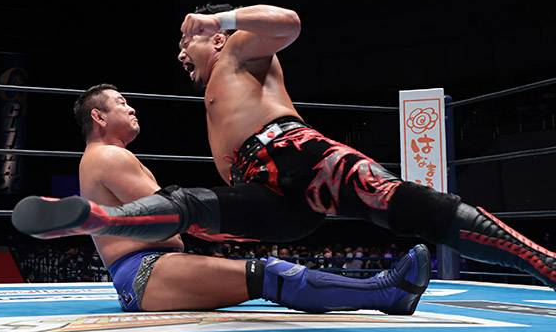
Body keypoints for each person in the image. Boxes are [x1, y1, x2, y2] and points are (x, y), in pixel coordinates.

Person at [12, 4, 556, 290]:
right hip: (266, 196)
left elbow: (289, 23)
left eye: (186, 41)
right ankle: (99, 219)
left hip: (300, 157)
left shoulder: (237, 50)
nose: (180, 52)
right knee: (189, 205)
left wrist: (220, 20)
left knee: (416, 208)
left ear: (215, 38)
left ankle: (544, 262)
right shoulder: (218, 82)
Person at [37, 83, 430, 314]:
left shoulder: (100, 158)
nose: (131, 107)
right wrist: (245, 214)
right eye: (121, 103)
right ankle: (383, 293)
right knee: (268, 274)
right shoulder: (109, 156)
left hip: (149, 271)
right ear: (99, 118)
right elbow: (169, 220)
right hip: (146, 273)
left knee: (264, 272)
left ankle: (381, 291)